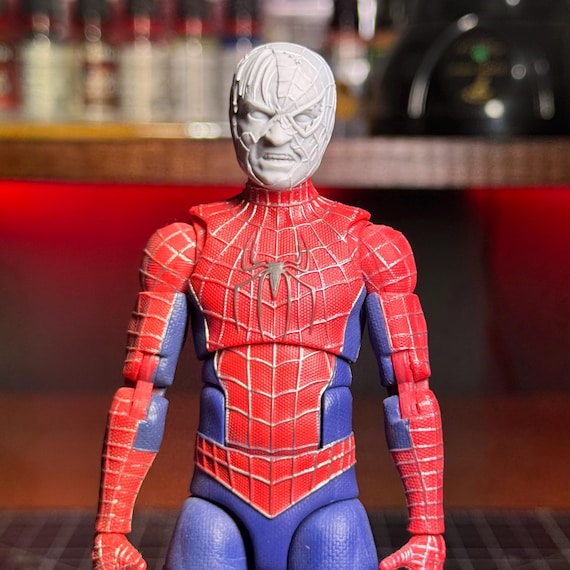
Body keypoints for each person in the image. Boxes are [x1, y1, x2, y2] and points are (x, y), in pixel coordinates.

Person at [92, 42, 445, 570]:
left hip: (327, 497)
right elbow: (141, 393)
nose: (277, 136)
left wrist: (428, 530)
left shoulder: (371, 249)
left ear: (326, 122)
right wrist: (111, 526)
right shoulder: (184, 247)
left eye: (299, 118)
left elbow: (412, 395)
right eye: (258, 115)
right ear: (234, 118)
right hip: (218, 497)